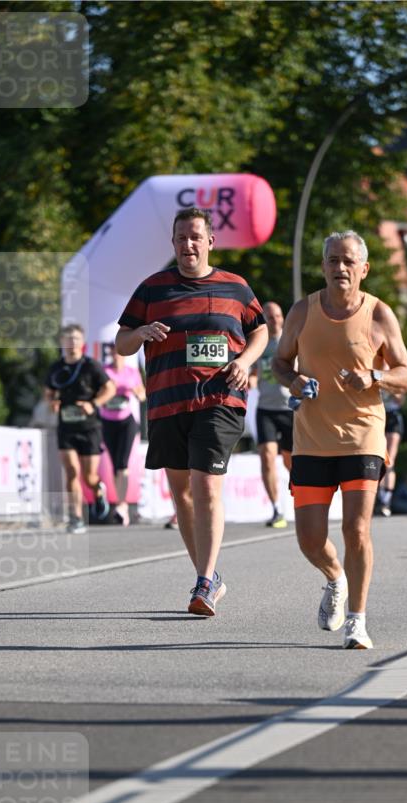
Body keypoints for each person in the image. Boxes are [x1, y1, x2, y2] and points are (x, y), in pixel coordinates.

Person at [115, 207, 268, 615]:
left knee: (205, 486)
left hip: (219, 400)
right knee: (181, 495)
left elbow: (261, 329)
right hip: (168, 402)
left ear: (210, 241)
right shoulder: (153, 289)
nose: (189, 244)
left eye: (196, 237)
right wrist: (141, 333)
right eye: (182, 238)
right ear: (173, 244)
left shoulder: (235, 287)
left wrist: (245, 361)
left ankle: (203, 581)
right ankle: (209, 576)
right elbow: (121, 342)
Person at [273, 230, 407, 650]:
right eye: (333, 260)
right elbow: (280, 363)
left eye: (349, 261)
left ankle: (357, 619)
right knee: (310, 539)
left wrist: (375, 376)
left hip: (363, 436)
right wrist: (295, 380)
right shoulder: (303, 311)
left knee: (356, 529)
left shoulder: (379, 315)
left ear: (364, 269)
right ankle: (334, 578)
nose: (340, 268)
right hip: (313, 438)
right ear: (323, 266)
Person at [44, 324, 115, 533]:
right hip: (66, 427)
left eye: (75, 338)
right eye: (67, 339)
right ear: (62, 343)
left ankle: (97, 491)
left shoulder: (91, 366)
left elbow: (109, 389)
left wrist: (93, 403)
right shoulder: (56, 368)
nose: (71, 342)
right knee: (72, 472)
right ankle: (76, 517)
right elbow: (48, 392)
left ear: (82, 342)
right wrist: (52, 402)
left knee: (89, 476)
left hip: (89, 427)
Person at [250, 301, 293, 528]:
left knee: (290, 461)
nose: (273, 319)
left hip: (290, 408)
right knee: (267, 456)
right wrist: (251, 379)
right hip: (265, 408)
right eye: (268, 316)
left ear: (282, 317)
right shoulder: (260, 342)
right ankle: (276, 508)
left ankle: (305, 500)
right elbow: (255, 370)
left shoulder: (291, 340)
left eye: (276, 315)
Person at [100, 346, 146, 526]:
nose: (116, 356)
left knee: (123, 464)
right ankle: (120, 502)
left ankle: (122, 505)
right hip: (107, 421)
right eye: (113, 352)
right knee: (114, 464)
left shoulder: (132, 372)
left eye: (119, 352)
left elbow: (142, 396)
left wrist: (135, 391)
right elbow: (97, 392)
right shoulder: (104, 371)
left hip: (127, 422)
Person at [375, 382, 405, 517]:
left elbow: (400, 400)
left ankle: (386, 501)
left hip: (392, 417)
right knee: (378, 459)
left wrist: (388, 386)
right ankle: (379, 497)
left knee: (389, 460)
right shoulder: (370, 371)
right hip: (376, 416)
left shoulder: (394, 376)